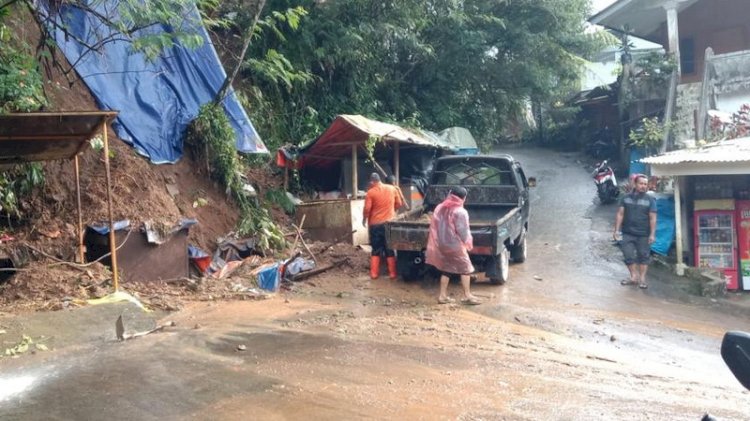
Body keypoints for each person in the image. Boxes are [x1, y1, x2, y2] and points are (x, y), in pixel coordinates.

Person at [425, 186, 481, 305]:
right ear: (464, 198)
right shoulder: (460, 211)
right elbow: (463, 231)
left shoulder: (440, 207)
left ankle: (442, 296)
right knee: (466, 269)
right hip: (454, 244)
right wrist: (468, 242)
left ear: (450, 194)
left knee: (447, 269)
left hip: (441, 243)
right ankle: (467, 296)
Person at [613, 174, 657, 289]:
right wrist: (617, 230)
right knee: (628, 255)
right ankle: (633, 277)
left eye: (645, 184)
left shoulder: (650, 200)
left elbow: (653, 218)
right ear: (635, 184)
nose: (643, 186)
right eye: (641, 183)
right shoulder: (625, 198)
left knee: (643, 256)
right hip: (627, 232)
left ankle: (642, 279)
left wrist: (652, 234)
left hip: (644, 234)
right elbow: (620, 214)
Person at [363, 173, 403, 279]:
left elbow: (367, 209)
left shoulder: (370, 192)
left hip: (375, 225)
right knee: (389, 248)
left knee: (376, 248)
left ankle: (374, 274)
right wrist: (391, 211)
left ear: (372, 182)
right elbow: (399, 203)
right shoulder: (392, 188)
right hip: (389, 224)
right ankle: (393, 274)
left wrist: (364, 218)